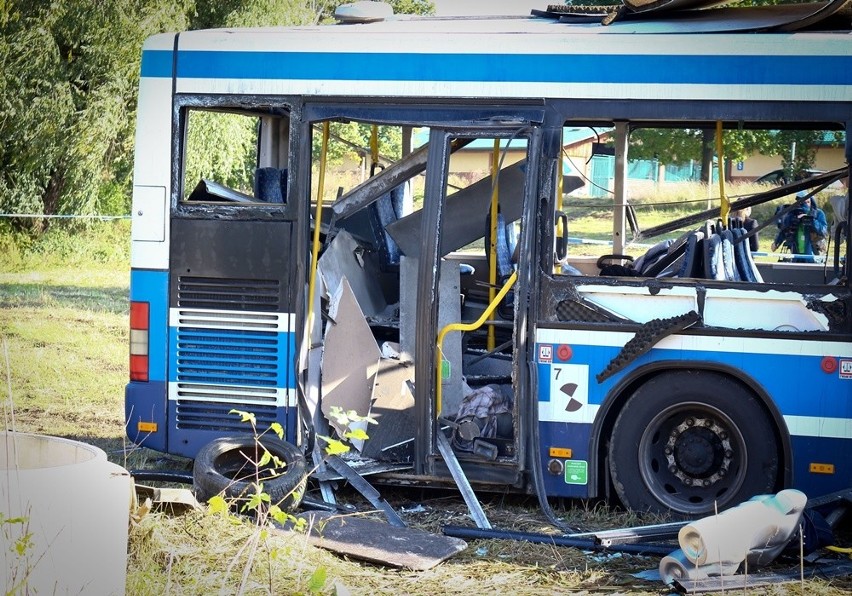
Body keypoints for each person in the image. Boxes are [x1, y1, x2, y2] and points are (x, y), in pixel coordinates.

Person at [771, 192, 828, 262]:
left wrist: (811, 220)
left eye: (808, 202)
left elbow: (823, 230)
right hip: (795, 256)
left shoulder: (818, 213)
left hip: (813, 256)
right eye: (803, 202)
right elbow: (785, 229)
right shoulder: (792, 214)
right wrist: (777, 242)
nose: (806, 204)